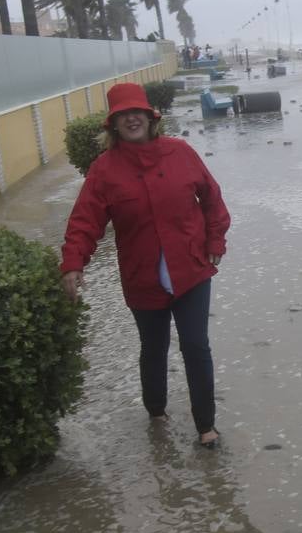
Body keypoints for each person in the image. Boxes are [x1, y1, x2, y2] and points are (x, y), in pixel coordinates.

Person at [60, 83, 230, 448]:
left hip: (192, 270)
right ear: (114, 125)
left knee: (196, 346)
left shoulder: (180, 153)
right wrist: (73, 264)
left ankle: (206, 425)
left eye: (137, 112)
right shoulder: (104, 170)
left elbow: (212, 198)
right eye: (123, 115)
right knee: (153, 347)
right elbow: (85, 221)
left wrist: (215, 240)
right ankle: (156, 411)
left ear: (151, 119)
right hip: (142, 277)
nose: (131, 118)